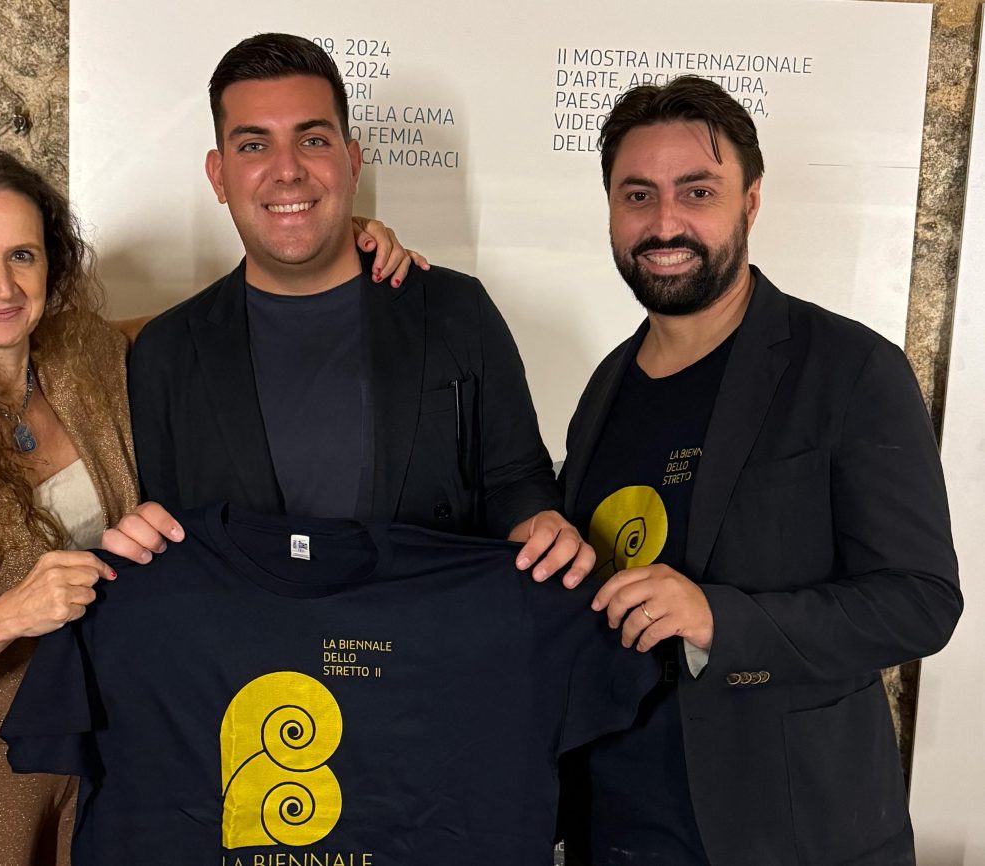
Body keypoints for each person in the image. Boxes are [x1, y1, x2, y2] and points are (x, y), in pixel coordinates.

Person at [0, 142, 416, 866]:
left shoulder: (85, 359)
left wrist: (328, 244)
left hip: (99, 749)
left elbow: (223, 322)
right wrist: (13, 613)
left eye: (22, 255)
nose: (1, 285)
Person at [556, 76, 961, 866]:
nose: (664, 222)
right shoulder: (605, 387)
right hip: (617, 829)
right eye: (637, 195)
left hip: (792, 835)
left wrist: (718, 618)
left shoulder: (851, 369)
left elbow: (921, 603)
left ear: (750, 202)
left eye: (697, 191)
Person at [123, 33, 592, 581]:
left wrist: (539, 525)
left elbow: (516, 482)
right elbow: (169, 543)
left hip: (427, 629)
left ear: (351, 162)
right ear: (218, 175)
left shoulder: (457, 309)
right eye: (253, 146)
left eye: (312, 140)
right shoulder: (165, 354)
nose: (287, 170)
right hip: (247, 638)